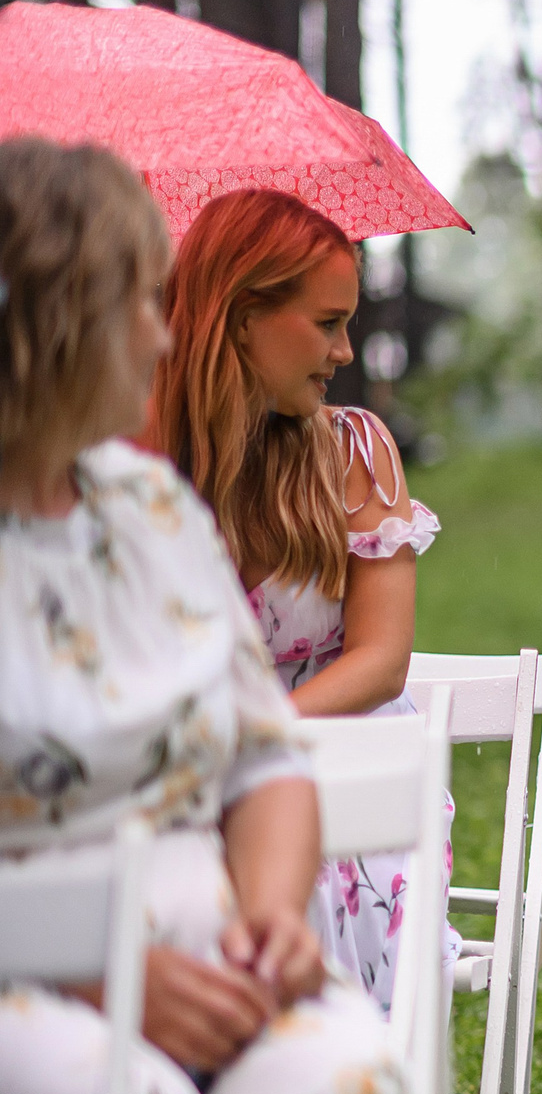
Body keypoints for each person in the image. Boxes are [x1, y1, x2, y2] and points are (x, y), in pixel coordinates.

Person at [0, 139, 469, 1094]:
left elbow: (261, 750)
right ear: (46, 320)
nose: (163, 333)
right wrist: (109, 973)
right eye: (137, 303)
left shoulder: (147, 514)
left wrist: (268, 916)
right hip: (35, 973)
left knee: (348, 1081)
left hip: (215, 935)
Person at [147, 188, 441, 1009]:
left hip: (334, 762)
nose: (345, 350)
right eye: (327, 323)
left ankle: (309, 1060)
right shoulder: (140, 462)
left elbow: (382, 662)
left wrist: (252, 736)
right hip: (186, 772)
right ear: (243, 318)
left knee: (281, 871)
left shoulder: (355, 453)